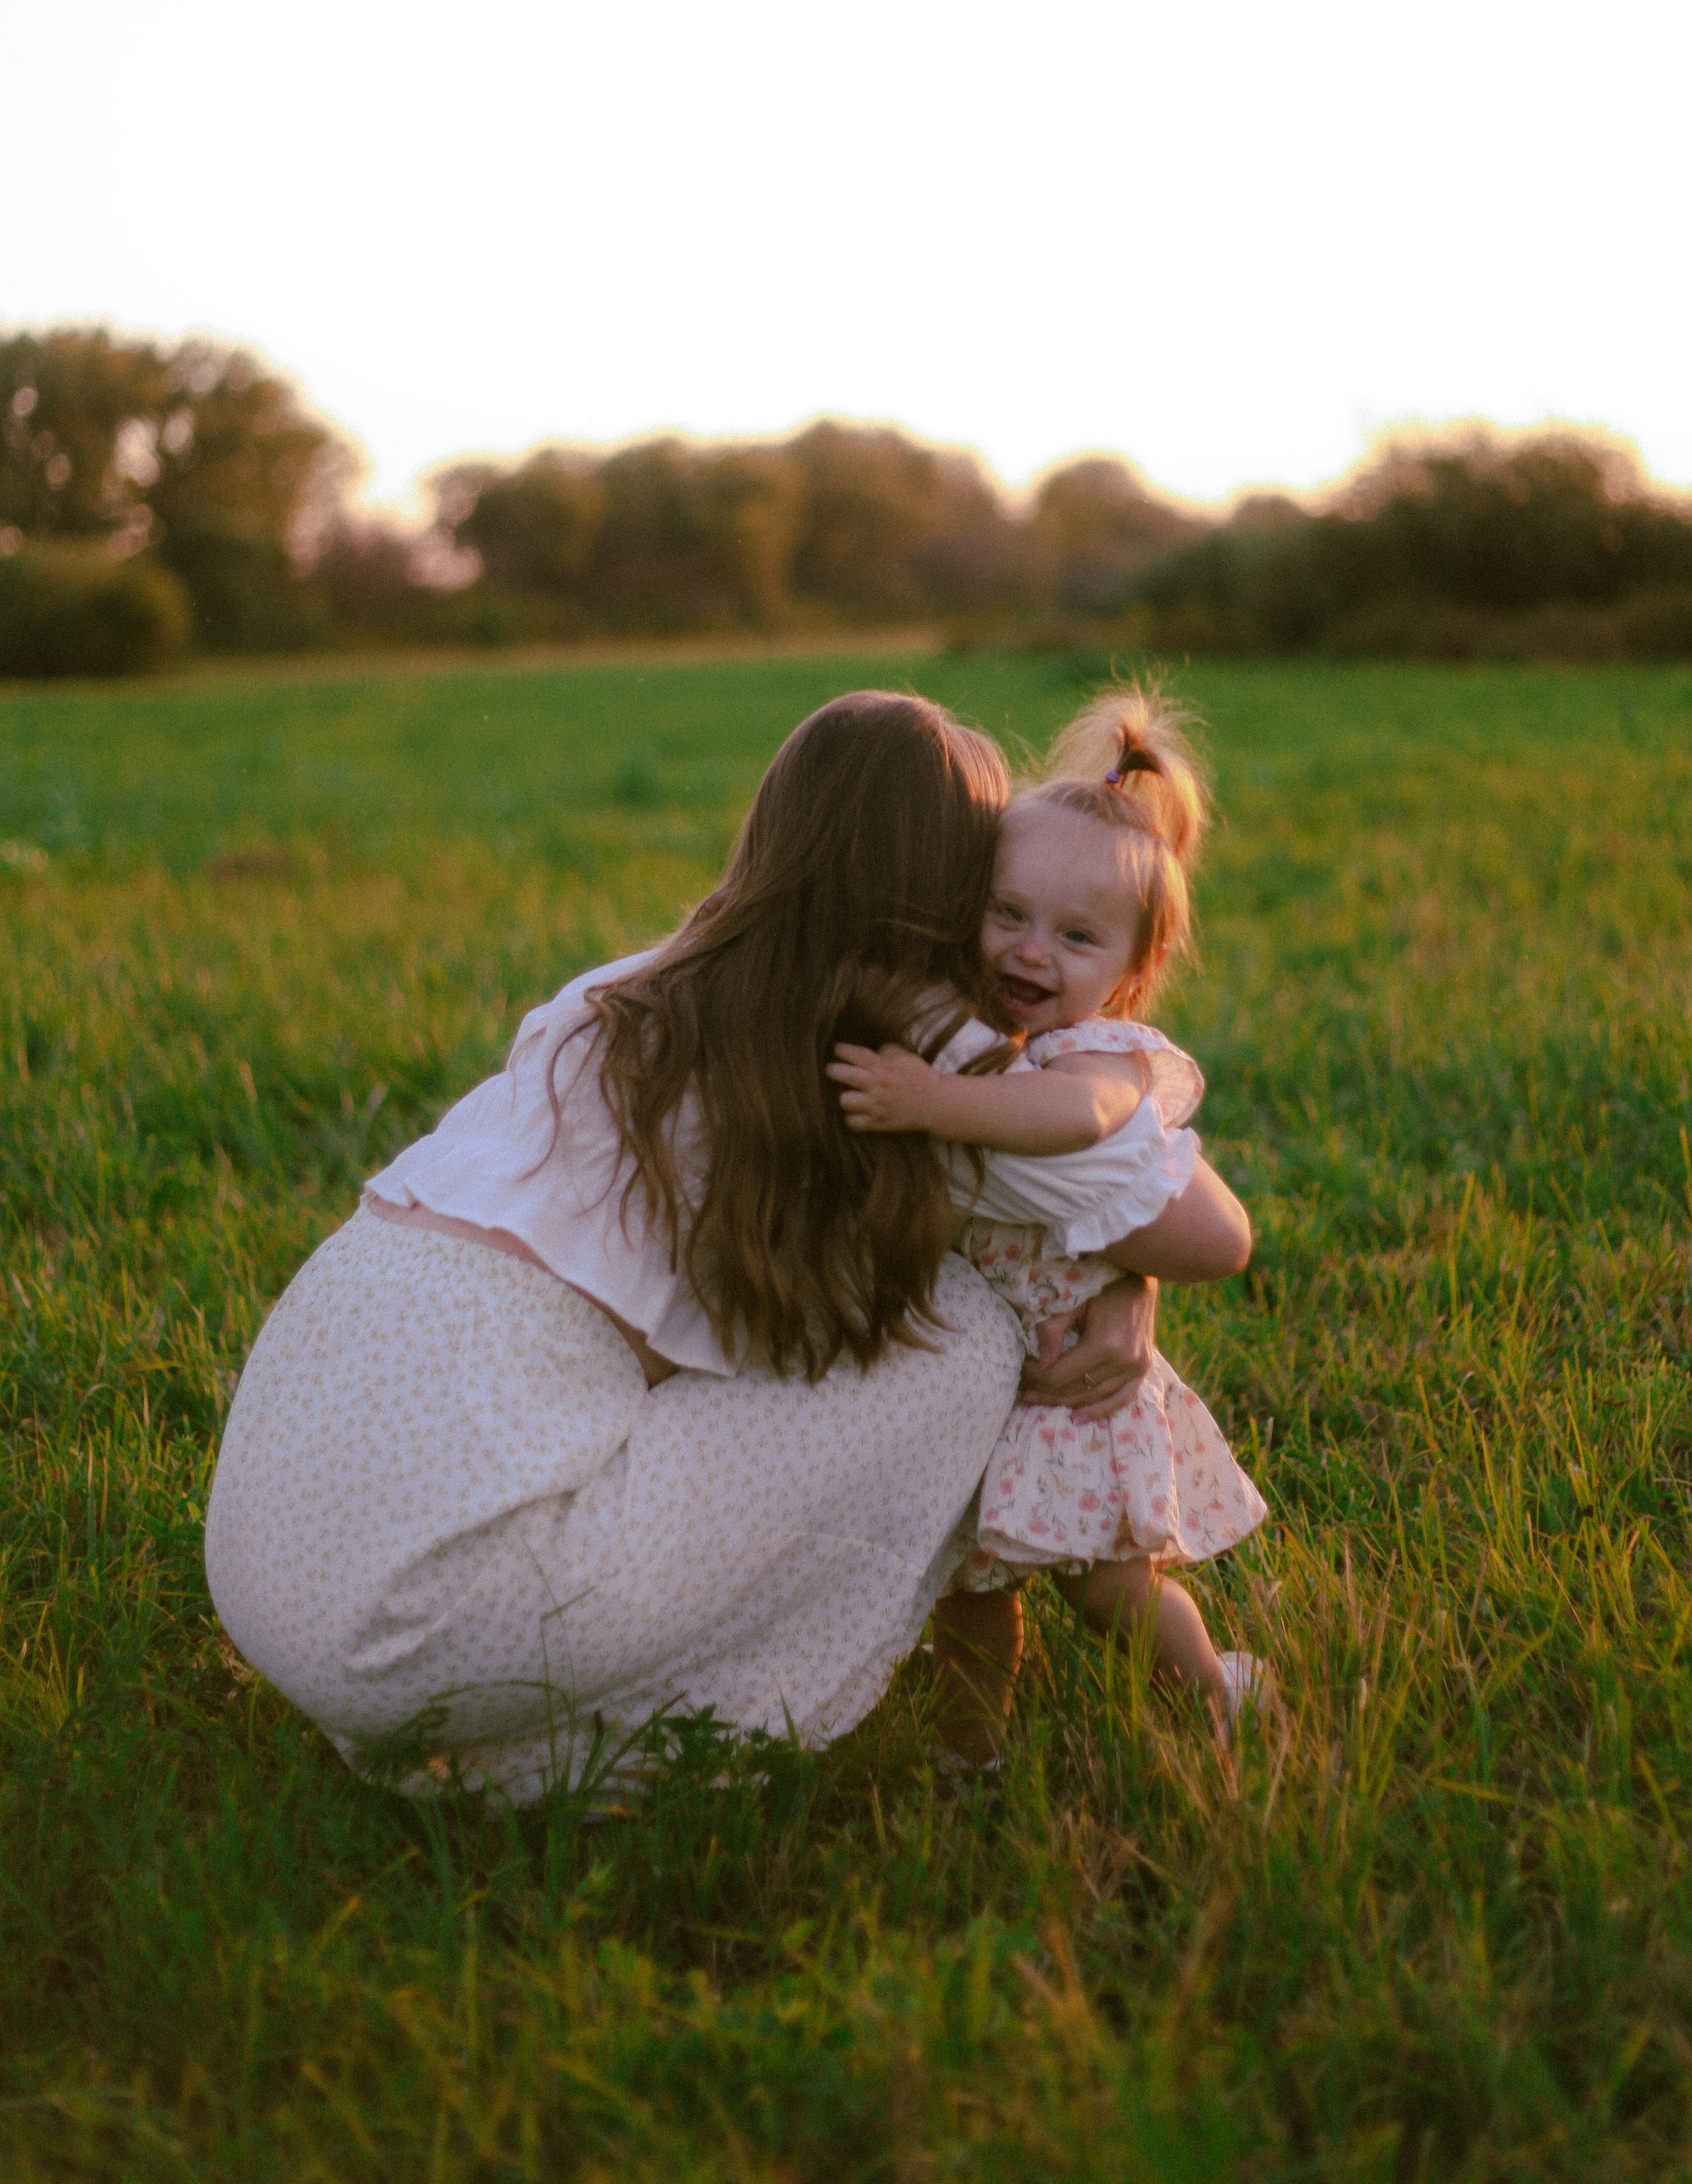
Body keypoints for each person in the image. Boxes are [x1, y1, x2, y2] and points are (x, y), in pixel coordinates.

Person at [204, 690, 1228, 1806]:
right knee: (971, 1335)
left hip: (272, 1564)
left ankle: (438, 1719)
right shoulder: (903, 1050)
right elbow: (1207, 1226)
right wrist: (1133, 1277)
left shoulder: (624, 987)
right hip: (427, 1612)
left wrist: (1130, 1280)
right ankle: (608, 1738)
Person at [830, 689, 1265, 1759]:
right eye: (1009, 914)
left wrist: (932, 1106)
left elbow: (1074, 1122)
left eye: (1077, 937)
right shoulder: (976, 1031)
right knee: (968, 1596)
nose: (1033, 951)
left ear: (1132, 973)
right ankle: (968, 1749)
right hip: (981, 1384)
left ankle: (1214, 1689)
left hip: (1075, 1388)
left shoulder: (1103, 1060)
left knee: (1112, 1588)